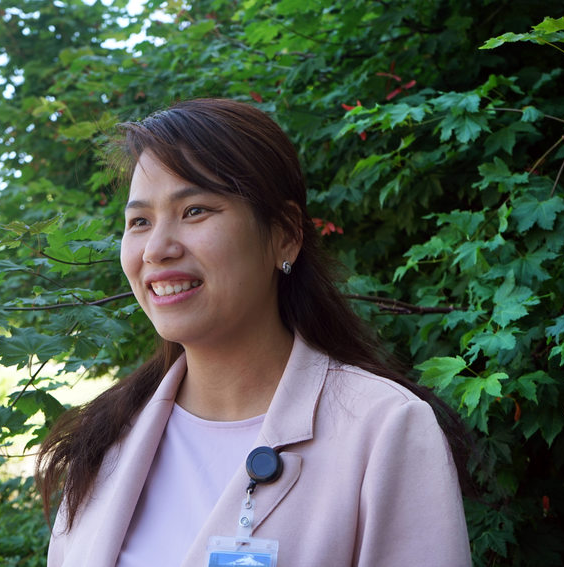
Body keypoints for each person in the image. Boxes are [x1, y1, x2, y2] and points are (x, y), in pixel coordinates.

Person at [36, 98, 472, 566]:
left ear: (285, 234)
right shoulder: (106, 439)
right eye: (139, 221)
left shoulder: (384, 429)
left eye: (195, 210)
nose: (157, 249)